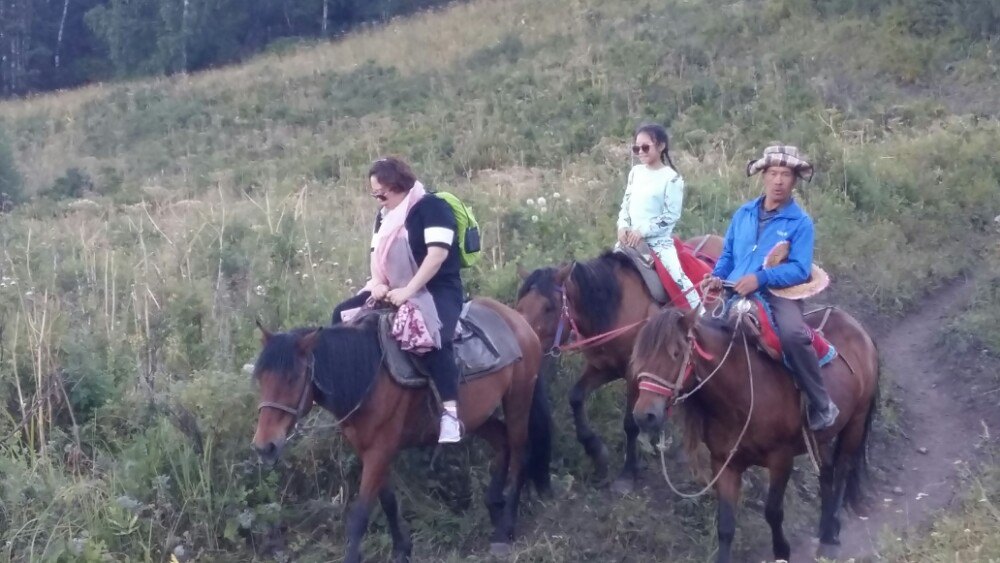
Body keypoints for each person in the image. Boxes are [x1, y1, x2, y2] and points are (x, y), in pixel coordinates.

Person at [704, 145, 839, 431]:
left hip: (779, 295)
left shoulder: (800, 222)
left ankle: (822, 403)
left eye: (786, 174)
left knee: (792, 334)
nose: (778, 180)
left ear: (794, 181)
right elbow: (728, 254)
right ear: (763, 176)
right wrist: (717, 276)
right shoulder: (743, 214)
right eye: (773, 173)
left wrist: (761, 279)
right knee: (699, 330)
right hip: (735, 290)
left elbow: (800, 269)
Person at [331, 157, 464, 443]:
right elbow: (375, 256)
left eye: (382, 194)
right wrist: (378, 284)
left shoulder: (432, 208)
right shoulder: (384, 216)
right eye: (374, 195)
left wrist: (408, 291)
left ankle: (450, 414)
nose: (379, 200)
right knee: (341, 314)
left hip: (435, 288)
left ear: (398, 185)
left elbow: (437, 255)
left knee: (432, 335)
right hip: (393, 287)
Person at [616, 123, 700, 310]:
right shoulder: (635, 173)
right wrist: (622, 226)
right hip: (629, 241)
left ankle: (699, 314)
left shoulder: (671, 179)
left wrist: (642, 231)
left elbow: (670, 216)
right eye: (637, 148)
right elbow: (626, 204)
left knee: (678, 278)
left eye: (646, 147)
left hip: (658, 243)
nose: (641, 152)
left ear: (661, 146)